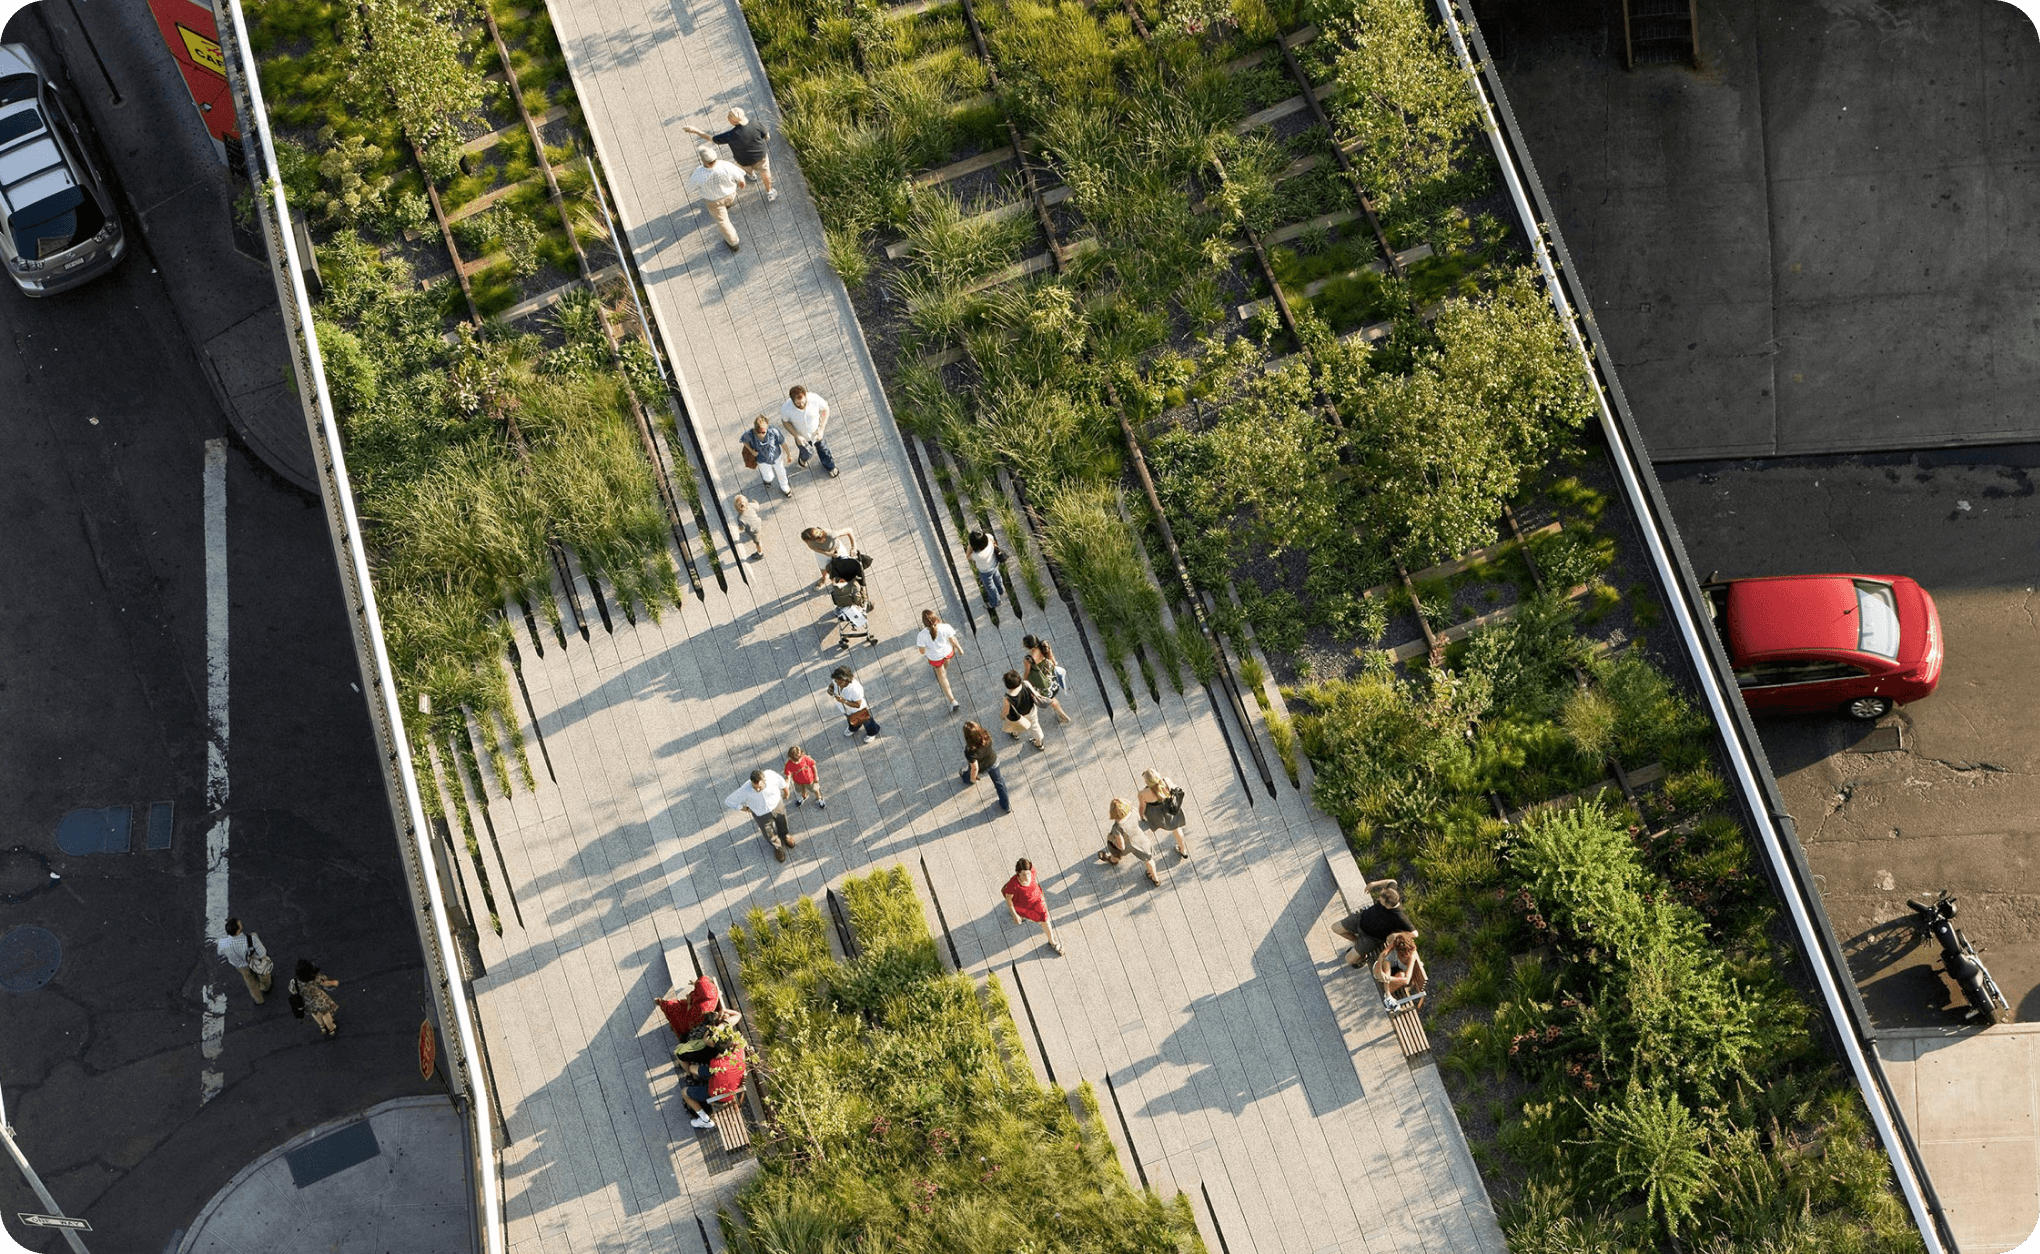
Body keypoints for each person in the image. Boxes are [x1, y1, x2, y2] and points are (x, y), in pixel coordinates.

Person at [681, 106, 775, 201]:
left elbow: (710, 138)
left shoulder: (730, 135)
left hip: (743, 161)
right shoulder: (755, 123)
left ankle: (751, 176)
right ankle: (769, 192)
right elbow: (766, 135)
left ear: (732, 121)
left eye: (728, 118)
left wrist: (695, 131)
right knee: (765, 173)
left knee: (747, 170)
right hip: (761, 157)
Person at [678, 1009, 748, 1129]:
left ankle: (704, 1120)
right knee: (695, 1069)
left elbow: (711, 1066)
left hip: (719, 1095)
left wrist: (706, 1042)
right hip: (729, 1085)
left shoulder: (716, 1064)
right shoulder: (738, 1051)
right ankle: (697, 1083)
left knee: (684, 1092)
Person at [1330, 881, 1416, 969]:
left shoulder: (1399, 916)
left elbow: (1415, 933)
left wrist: (1397, 935)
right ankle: (1357, 942)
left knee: (1348, 959)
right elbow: (1392, 881)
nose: (1378, 900)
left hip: (1371, 938)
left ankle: (1363, 957)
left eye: (1381, 901)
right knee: (1335, 928)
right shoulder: (1391, 893)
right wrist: (1374, 884)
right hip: (1360, 919)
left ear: (1388, 906)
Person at [724, 768, 797, 862]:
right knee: (768, 832)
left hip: (777, 805)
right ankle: (778, 847)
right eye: (755, 787)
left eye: (759, 787)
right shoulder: (745, 789)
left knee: (782, 821)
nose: (757, 789)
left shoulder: (771, 776)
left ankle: (785, 835)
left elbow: (781, 782)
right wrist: (745, 809)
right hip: (761, 814)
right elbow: (729, 801)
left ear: (764, 780)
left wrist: (786, 791)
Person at [685, 144, 748, 251]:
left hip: (713, 201)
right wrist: (741, 184)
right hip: (730, 194)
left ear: (704, 161)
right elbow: (740, 178)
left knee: (723, 222)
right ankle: (727, 206)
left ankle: (733, 242)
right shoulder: (725, 166)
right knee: (728, 203)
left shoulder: (698, 173)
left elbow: (689, 188)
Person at [1002, 858, 1062, 955]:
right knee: (1025, 916)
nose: (1027, 877)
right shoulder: (1013, 884)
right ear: (1018, 873)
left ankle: (1052, 942)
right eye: (1023, 874)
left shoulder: (1032, 871)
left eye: (1028, 873)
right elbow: (1009, 900)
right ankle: (1021, 916)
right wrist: (1014, 915)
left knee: (1045, 919)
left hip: (1038, 901)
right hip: (1023, 906)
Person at [1098, 797, 1160, 885]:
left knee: (1117, 853)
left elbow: (1121, 846)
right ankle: (1155, 878)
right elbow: (1139, 817)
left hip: (1128, 845)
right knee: (1149, 859)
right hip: (1141, 840)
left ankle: (1112, 860)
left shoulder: (1117, 827)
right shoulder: (1133, 811)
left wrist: (1111, 839)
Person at [779, 385, 838, 478]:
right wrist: (796, 436)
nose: (801, 405)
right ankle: (802, 459)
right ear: (792, 401)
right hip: (802, 437)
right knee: (806, 454)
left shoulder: (814, 398)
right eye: (798, 404)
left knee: (824, 450)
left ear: (805, 396)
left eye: (803, 402)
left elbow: (825, 409)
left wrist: (821, 428)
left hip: (817, 433)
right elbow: (785, 422)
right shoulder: (786, 408)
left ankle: (830, 467)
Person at [214, 917, 273, 1005]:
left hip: (240, 966)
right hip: (255, 962)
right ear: (238, 931)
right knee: (264, 974)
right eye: (239, 923)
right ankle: (265, 987)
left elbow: (220, 952)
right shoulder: (252, 939)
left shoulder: (222, 943)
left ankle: (258, 1000)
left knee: (250, 982)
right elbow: (262, 953)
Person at [915, 609, 964, 710]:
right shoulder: (945, 627)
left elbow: (922, 652)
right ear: (936, 618)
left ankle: (952, 701)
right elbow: (953, 639)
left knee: (942, 677)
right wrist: (960, 649)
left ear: (924, 624)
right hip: (948, 653)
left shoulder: (922, 635)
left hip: (935, 658)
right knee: (945, 663)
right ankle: (944, 667)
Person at [959, 720, 1011, 814]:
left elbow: (975, 768)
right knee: (999, 783)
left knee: (970, 772)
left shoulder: (970, 751)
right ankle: (1006, 806)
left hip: (982, 766)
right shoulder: (986, 735)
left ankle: (967, 779)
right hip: (993, 761)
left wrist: (974, 778)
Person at [1138, 768, 1190, 859]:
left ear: (1147, 782)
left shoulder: (1143, 793)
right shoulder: (1167, 781)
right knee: (1177, 829)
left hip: (1156, 813)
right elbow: (1175, 789)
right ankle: (1183, 850)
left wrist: (1142, 816)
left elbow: (1142, 807)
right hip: (1170, 809)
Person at [740, 414, 794, 499]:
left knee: (781, 473)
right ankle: (767, 480)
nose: (761, 434)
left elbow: (783, 443)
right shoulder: (750, 434)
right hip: (762, 460)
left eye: (763, 432)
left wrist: (789, 454)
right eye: (758, 432)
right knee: (768, 476)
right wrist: (751, 450)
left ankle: (785, 487)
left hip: (776, 457)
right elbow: (743, 440)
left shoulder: (774, 432)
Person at [656, 975, 722, 1041]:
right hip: (695, 1010)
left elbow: (689, 1016)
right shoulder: (711, 992)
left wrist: (689, 1001)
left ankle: (661, 1002)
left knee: (670, 1006)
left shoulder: (701, 1011)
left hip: (690, 1015)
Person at [1022, 635, 1071, 724]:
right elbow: (1053, 660)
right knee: (1052, 698)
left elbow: (1027, 673)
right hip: (1051, 680)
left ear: (1026, 646)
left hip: (1043, 686)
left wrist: (1023, 683)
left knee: (1051, 701)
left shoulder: (1029, 659)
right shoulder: (1044, 646)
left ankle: (1063, 715)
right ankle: (1062, 715)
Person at [828, 665, 882, 743]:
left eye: (839, 681)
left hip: (858, 710)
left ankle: (872, 732)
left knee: (867, 722)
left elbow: (857, 705)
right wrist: (830, 689)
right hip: (845, 709)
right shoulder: (837, 681)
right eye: (836, 680)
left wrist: (844, 701)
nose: (837, 683)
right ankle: (854, 728)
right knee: (851, 720)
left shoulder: (855, 689)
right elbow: (832, 685)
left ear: (846, 680)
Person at [287, 959, 341, 1038]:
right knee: (325, 1013)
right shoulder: (315, 978)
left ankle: (322, 1027)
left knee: (315, 1013)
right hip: (318, 999)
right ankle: (331, 1028)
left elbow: (292, 991)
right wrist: (335, 982)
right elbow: (326, 983)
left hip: (307, 1001)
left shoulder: (294, 982)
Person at [1373, 932, 1428, 1003]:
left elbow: (1406, 980)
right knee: (1386, 962)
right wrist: (1380, 971)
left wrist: (1389, 978)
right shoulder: (1398, 943)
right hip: (1392, 967)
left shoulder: (1411, 957)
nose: (1399, 955)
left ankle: (1387, 991)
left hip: (1399, 974)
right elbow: (1383, 954)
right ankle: (1387, 994)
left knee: (1401, 975)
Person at [801, 525, 857, 590]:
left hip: (837, 550)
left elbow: (849, 530)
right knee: (823, 568)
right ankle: (824, 578)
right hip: (822, 553)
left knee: (843, 566)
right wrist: (827, 553)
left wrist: (854, 547)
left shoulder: (831, 534)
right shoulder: (810, 540)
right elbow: (812, 547)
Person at [1001, 670, 1046, 748]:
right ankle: (1039, 744)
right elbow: (1035, 693)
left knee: (1016, 724)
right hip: (1031, 710)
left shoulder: (1008, 697)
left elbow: (1006, 711)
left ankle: (1015, 734)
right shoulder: (1025, 683)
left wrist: (1002, 716)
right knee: (1035, 726)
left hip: (1019, 715)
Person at [967, 530, 1003, 610]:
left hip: (985, 572)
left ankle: (995, 602)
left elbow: (968, 557)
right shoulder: (989, 537)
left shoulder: (978, 555)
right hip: (994, 564)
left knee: (990, 587)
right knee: (997, 578)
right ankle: (1000, 590)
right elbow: (993, 541)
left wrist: (969, 547)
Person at [784, 744, 825, 809]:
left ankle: (819, 799)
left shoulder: (806, 758)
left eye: (798, 760)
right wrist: (787, 782)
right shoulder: (789, 764)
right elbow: (788, 775)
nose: (796, 763)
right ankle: (804, 796)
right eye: (794, 761)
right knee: (801, 790)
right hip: (798, 782)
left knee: (815, 789)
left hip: (810, 780)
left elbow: (813, 766)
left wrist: (816, 776)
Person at [732, 493, 766, 561]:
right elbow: (757, 506)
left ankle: (760, 553)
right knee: (757, 534)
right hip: (758, 523)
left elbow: (741, 528)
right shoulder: (751, 505)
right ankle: (760, 551)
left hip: (753, 530)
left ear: (737, 508)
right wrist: (755, 502)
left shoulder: (740, 518)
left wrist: (740, 528)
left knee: (757, 542)